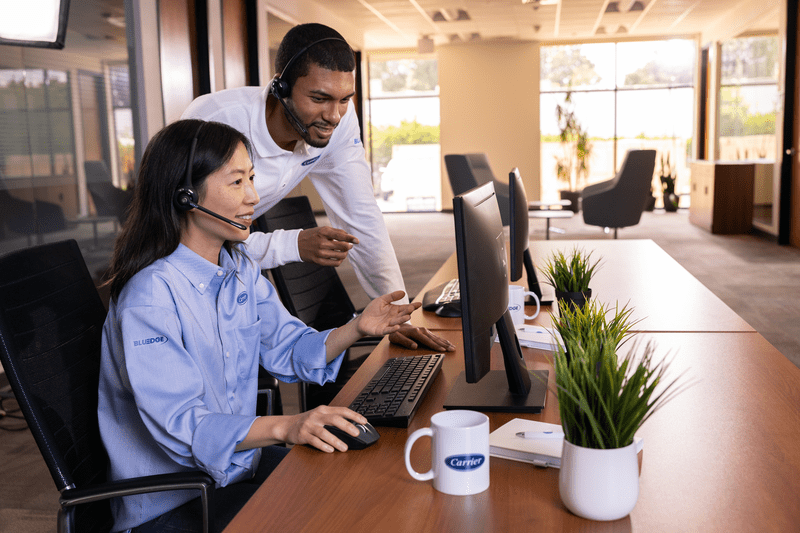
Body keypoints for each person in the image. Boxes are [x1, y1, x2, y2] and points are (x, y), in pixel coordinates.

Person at [98, 119, 420, 532]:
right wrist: (289, 425)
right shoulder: (150, 296)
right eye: (236, 182)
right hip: (171, 499)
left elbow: (288, 347)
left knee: (360, 489)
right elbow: (182, 424)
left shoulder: (238, 267)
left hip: (234, 467)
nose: (253, 196)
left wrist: (358, 328)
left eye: (252, 177)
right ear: (186, 194)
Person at [181, 22, 453, 354]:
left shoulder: (337, 120)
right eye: (319, 98)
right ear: (280, 88)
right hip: (184, 270)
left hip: (237, 255)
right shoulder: (217, 123)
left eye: (344, 100)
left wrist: (396, 315)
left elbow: (361, 216)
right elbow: (190, 241)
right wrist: (291, 244)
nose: (334, 116)